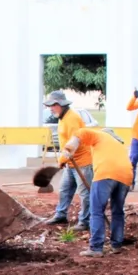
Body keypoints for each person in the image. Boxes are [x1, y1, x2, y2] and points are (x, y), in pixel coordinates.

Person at [59, 127, 131, 257]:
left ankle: (96, 248)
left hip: (106, 174)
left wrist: (67, 153)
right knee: (118, 211)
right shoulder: (119, 146)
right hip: (126, 176)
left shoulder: (99, 135)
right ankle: (116, 244)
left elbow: (79, 132)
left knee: (97, 211)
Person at [44, 91, 92, 230]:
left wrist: (62, 160)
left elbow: (74, 143)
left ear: (61, 105)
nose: (51, 108)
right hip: (71, 162)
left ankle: (85, 221)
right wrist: (64, 159)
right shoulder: (63, 117)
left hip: (82, 162)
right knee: (65, 189)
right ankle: (61, 214)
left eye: (53, 105)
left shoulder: (71, 119)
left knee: (85, 194)